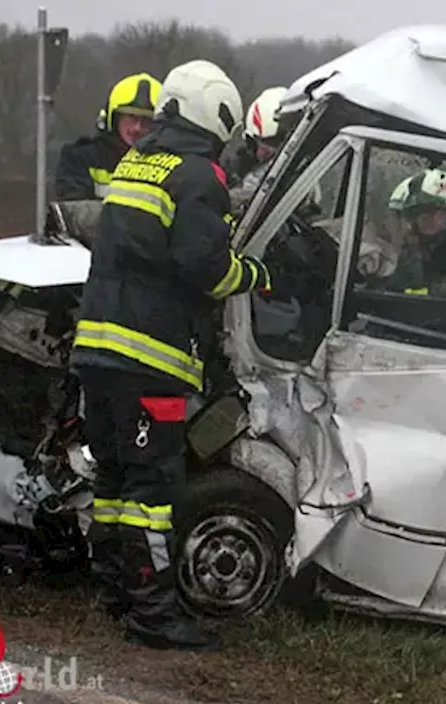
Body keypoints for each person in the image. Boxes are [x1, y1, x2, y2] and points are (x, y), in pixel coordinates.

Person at [70, 58, 270, 652]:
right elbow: (205, 268)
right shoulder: (199, 177)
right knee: (152, 494)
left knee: (111, 482)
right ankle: (154, 616)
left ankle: (114, 592)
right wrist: (255, 274)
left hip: (98, 350)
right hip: (150, 359)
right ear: (218, 114)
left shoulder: (138, 162)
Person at [357, 168, 446, 296]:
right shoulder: (374, 247)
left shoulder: (439, 259)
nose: (434, 218)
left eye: (441, 212)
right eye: (426, 210)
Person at [54, 73, 161, 201]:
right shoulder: (81, 160)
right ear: (114, 119)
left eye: (147, 120)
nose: (138, 127)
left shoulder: (173, 165)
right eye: (131, 117)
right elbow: (75, 213)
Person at [227, 86, 311, 215]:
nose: (263, 152)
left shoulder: (304, 182)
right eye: (261, 143)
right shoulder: (232, 169)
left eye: (275, 143)